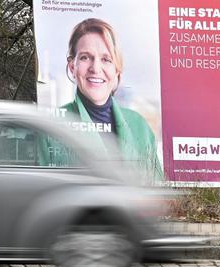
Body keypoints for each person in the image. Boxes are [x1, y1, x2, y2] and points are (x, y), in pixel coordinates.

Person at [58, 17, 161, 178]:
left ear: (117, 69)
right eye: (85, 57)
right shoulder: (53, 123)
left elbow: (157, 191)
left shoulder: (139, 125)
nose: (96, 68)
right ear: (72, 67)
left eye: (106, 59)